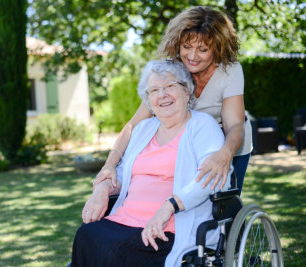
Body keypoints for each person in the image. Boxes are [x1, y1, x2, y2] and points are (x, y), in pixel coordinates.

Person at [70, 60, 233, 267]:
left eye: (170, 86)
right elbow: (122, 172)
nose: (162, 95)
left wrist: (169, 206)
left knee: (125, 251)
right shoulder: (144, 128)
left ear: (187, 90)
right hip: (126, 219)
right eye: (154, 90)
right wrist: (101, 189)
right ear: (148, 100)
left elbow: (211, 177)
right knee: (87, 235)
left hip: (171, 226)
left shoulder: (202, 126)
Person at [94, 6, 252, 194]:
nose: (192, 57)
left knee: (225, 202)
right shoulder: (171, 70)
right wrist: (110, 164)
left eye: (203, 49)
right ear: (177, 43)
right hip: (189, 143)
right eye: (186, 47)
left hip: (230, 142)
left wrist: (225, 154)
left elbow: (234, 125)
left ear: (218, 48)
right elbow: (134, 124)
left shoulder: (230, 70)